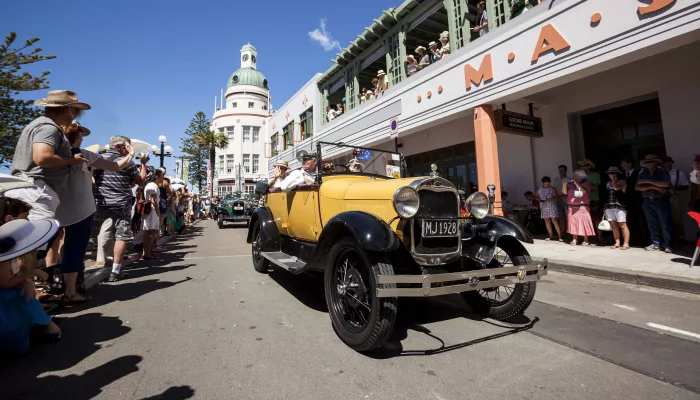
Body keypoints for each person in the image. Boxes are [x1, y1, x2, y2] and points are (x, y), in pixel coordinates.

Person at [6, 90, 91, 268]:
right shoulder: (49, 127)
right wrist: (71, 160)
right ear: (68, 109)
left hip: (28, 187)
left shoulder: (36, 125)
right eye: (76, 110)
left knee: (25, 243)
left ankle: (27, 286)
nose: (76, 115)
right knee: (36, 244)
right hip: (37, 190)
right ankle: (30, 288)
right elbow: (42, 157)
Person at [56, 122, 135, 303]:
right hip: (83, 206)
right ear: (75, 137)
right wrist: (131, 154)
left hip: (65, 205)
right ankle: (71, 288)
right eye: (81, 135)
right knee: (78, 244)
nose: (83, 138)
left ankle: (63, 282)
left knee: (65, 242)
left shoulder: (55, 156)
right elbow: (117, 166)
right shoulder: (85, 155)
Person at [0, 215, 62, 354]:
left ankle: (42, 325)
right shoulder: (3, 259)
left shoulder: (13, 258)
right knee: (20, 295)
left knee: (24, 291)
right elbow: (3, 284)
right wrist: (29, 276)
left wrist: (26, 280)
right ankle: (48, 326)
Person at [92, 136, 149, 282]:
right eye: (127, 146)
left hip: (100, 201)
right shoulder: (127, 162)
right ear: (119, 147)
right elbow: (140, 181)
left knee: (91, 232)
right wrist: (143, 164)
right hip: (121, 203)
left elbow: (92, 179)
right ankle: (115, 271)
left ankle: (77, 271)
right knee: (121, 236)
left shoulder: (97, 159)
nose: (129, 149)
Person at [636, 154, 674, 253]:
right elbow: (637, 187)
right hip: (648, 200)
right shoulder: (642, 173)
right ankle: (655, 243)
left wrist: (648, 181)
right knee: (651, 223)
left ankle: (668, 244)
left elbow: (666, 184)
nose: (648, 164)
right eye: (646, 162)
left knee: (665, 222)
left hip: (661, 200)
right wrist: (654, 187)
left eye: (650, 162)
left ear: (656, 162)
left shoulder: (662, 172)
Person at [562, 169, 595, 246]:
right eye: (574, 176)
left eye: (575, 176)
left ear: (580, 177)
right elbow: (564, 192)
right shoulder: (570, 185)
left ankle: (586, 239)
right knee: (573, 223)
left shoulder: (586, 184)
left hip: (582, 207)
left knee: (584, 222)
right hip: (572, 207)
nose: (573, 177)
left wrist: (576, 183)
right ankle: (574, 239)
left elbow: (583, 191)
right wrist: (564, 185)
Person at [661, 156, 690, 240]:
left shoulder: (678, 173)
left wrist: (673, 188)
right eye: (665, 162)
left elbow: (685, 186)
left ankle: (680, 237)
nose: (667, 164)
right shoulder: (659, 173)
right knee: (664, 218)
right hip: (662, 197)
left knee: (677, 218)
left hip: (674, 196)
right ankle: (667, 238)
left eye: (669, 162)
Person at [621, 155, 647, 246]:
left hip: (637, 200)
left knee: (640, 220)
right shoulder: (622, 174)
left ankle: (644, 240)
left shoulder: (638, 173)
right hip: (625, 201)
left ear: (629, 163)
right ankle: (632, 240)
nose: (622, 165)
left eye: (623, 163)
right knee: (629, 221)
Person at [578, 159, 603, 244]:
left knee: (596, 219)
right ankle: (585, 237)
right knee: (583, 219)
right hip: (582, 200)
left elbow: (595, 186)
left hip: (593, 199)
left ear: (589, 166)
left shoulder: (595, 175)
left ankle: (600, 237)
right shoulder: (580, 176)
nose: (583, 167)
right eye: (581, 166)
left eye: (585, 165)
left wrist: (584, 187)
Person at [142, 171, 163, 260]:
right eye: (162, 176)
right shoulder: (152, 186)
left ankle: (146, 252)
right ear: (157, 176)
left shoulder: (150, 185)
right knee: (153, 232)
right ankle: (147, 252)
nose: (163, 178)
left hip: (149, 211)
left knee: (148, 232)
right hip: (151, 211)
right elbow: (154, 201)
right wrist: (158, 212)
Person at [538, 177, 563, 241]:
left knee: (554, 220)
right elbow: (536, 196)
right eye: (546, 184)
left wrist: (550, 199)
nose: (547, 185)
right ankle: (550, 235)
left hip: (551, 205)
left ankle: (560, 236)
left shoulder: (552, 189)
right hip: (544, 206)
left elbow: (556, 197)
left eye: (548, 184)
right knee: (547, 220)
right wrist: (539, 199)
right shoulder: (539, 189)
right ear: (543, 183)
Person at [552, 165, 570, 236]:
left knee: (568, 217)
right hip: (558, 201)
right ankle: (562, 233)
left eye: (562, 170)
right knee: (561, 218)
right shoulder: (556, 180)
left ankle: (570, 232)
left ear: (566, 170)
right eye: (559, 170)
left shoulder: (569, 179)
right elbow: (554, 190)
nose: (560, 172)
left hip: (567, 201)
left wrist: (562, 196)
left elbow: (569, 191)